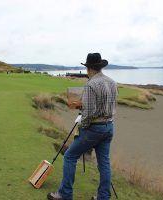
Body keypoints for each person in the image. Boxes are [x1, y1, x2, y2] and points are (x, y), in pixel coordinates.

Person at [47, 53, 118, 200]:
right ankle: (103, 197)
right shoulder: (112, 82)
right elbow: (105, 105)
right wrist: (82, 105)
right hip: (109, 126)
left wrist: (83, 126)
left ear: (89, 68)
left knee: (69, 156)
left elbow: (90, 113)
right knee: (104, 162)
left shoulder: (91, 84)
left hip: (94, 129)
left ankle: (65, 194)